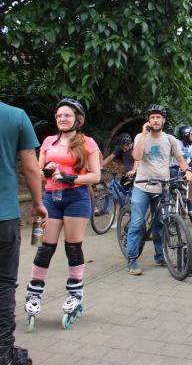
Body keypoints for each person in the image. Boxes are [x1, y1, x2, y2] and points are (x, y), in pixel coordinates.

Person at [25, 98, 100, 331]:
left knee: (73, 247)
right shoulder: (48, 141)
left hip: (76, 198)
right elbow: (37, 172)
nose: (62, 119)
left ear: (77, 118)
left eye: (66, 115)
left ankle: (75, 294)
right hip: (51, 199)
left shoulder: (87, 143)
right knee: (44, 247)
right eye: (59, 116)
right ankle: (34, 294)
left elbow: (96, 175)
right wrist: (45, 172)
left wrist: (73, 179)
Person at [0, 101, 47, 365]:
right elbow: (31, 168)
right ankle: (4, 352)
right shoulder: (15, 116)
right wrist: (38, 204)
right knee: (4, 285)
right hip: (4, 216)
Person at [126, 104, 192, 275]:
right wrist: (143, 134)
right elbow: (136, 156)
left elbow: (180, 159)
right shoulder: (140, 137)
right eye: (152, 117)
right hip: (142, 186)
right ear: (148, 120)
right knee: (137, 223)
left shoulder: (170, 139)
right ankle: (132, 259)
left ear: (164, 120)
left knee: (160, 224)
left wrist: (187, 171)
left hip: (162, 187)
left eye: (158, 117)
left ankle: (159, 255)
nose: (155, 120)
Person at [171, 125, 192, 211]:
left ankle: (189, 200)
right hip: (175, 166)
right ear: (186, 134)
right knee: (172, 185)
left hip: (188, 166)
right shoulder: (176, 142)